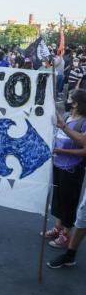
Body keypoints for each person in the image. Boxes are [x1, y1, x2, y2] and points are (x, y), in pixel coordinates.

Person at [45, 89, 86, 248]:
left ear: (76, 103)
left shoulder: (83, 122)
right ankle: (57, 228)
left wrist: (62, 150)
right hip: (58, 165)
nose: (67, 99)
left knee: (69, 202)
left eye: (70, 97)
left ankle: (65, 235)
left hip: (72, 169)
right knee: (59, 199)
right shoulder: (68, 117)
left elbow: (84, 149)